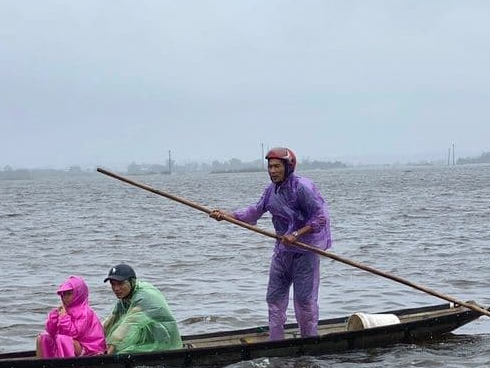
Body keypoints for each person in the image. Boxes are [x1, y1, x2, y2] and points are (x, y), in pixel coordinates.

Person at [209, 147, 332, 340]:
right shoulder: (271, 191)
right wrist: (227, 216)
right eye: (270, 167)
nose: (273, 171)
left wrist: (296, 234)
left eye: (277, 167)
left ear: (288, 167)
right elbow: (254, 211)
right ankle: (275, 342)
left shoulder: (303, 188)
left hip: (305, 253)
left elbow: (320, 217)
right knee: (274, 299)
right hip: (282, 252)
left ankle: (309, 341)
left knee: (304, 301)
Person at [101, 264, 182, 354]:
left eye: (120, 283)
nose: (116, 288)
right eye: (113, 284)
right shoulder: (125, 298)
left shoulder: (144, 297)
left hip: (165, 343)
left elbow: (129, 324)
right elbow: (111, 320)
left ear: (132, 282)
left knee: (119, 350)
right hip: (147, 339)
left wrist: (107, 354)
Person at [36, 276, 107, 358]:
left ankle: (66, 364)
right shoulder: (65, 310)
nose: (65, 297)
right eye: (64, 294)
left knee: (62, 339)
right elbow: (51, 332)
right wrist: (54, 317)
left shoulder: (86, 312)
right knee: (42, 338)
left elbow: (74, 334)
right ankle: (42, 363)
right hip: (73, 343)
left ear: (79, 294)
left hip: (89, 348)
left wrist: (64, 317)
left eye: (69, 294)